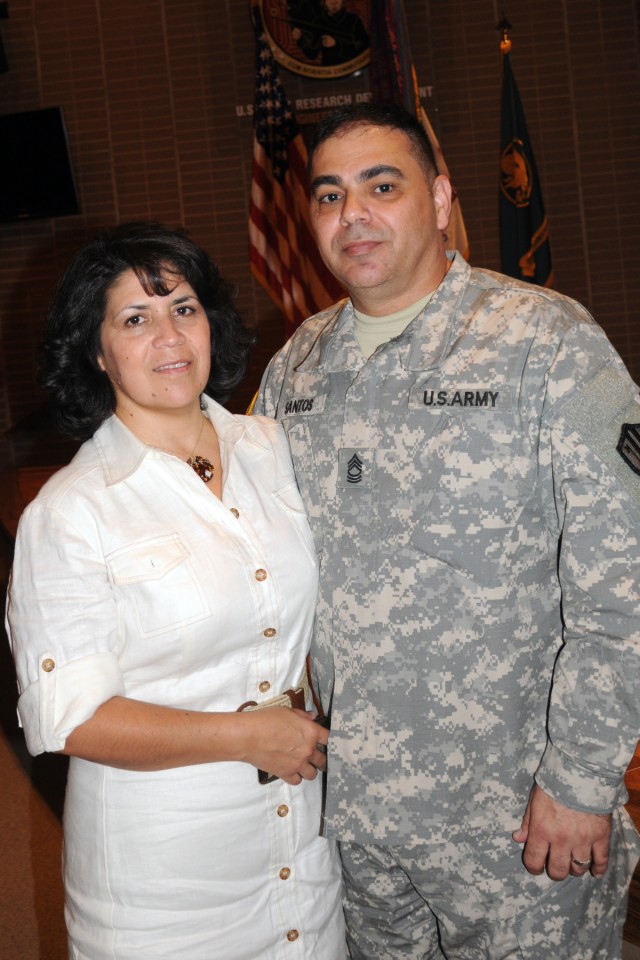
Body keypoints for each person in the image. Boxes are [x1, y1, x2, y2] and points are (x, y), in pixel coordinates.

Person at [253, 102, 640, 958]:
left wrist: (580, 779)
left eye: (380, 186)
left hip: (516, 823)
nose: (352, 215)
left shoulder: (547, 340)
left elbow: (627, 582)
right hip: (359, 819)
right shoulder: (297, 367)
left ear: (439, 198)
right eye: (328, 196)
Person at [5, 222, 346, 960]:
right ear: (97, 352)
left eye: (183, 309)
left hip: (298, 855)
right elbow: (71, 720)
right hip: (165, 885)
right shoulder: (72, 511)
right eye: (136, 319)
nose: (169, 337)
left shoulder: (273, 449)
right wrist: (243, 735)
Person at [291, 0, 368, 68]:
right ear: (324, 2)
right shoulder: (319, 22)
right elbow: (312, 55)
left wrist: (336, 44)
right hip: (327, 70)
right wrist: (300, 39)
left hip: (351, 67)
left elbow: (364, 47)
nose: (333, 2)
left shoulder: (354, 20)